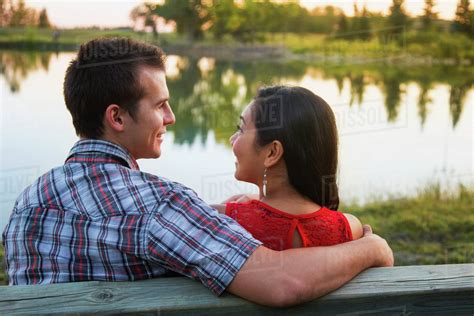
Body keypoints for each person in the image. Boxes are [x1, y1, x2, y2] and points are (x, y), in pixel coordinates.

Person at [2, 37, 393, 308]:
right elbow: (281, 282)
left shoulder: (27, 203)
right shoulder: (156, 204)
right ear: (117, 117)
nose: (171, 118)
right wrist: (369, 247)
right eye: (160, 105)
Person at [213, 86, 362, 250]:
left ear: (272, 152)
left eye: (240, 130)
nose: (231, 139)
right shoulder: (349, 228)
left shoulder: (222, 221)